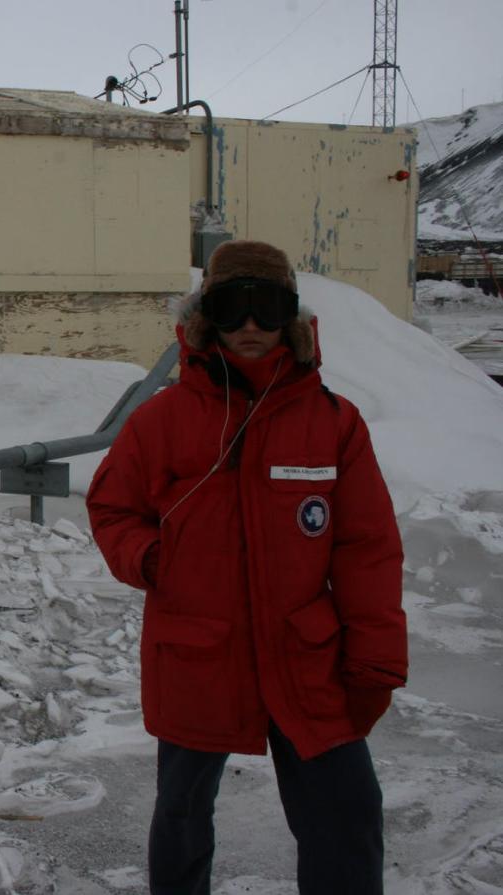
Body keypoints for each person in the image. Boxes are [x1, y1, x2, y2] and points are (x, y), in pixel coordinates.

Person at [86, 240, 407, 895]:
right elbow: (112, 507)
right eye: (234, 308)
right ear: (208, 317)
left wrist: (374, 656)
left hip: (304, 655)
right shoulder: (162, 421)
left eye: (269, 308)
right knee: (180, 814)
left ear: (291, 318)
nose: (252, 326)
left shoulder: (333, 424)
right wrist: (151, 558)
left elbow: (367, 550)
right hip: (196, 655)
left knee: (346, 813)